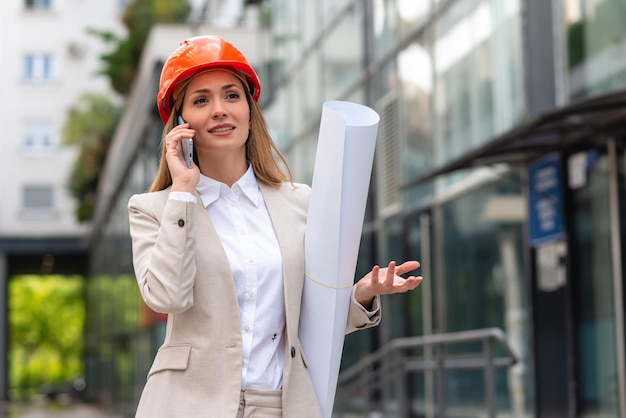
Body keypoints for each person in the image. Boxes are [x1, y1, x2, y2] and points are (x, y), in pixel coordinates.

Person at [128, 35, 423, 418]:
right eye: (201, 100)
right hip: (187, 402)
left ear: (250, 111)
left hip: (281, 404)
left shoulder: (299, 202)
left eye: (232, 96)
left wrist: (361, 293)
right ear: (181, 123)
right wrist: (183, 191)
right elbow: (167, 297)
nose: (219, 110)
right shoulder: (155, 209)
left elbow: (309, 319)